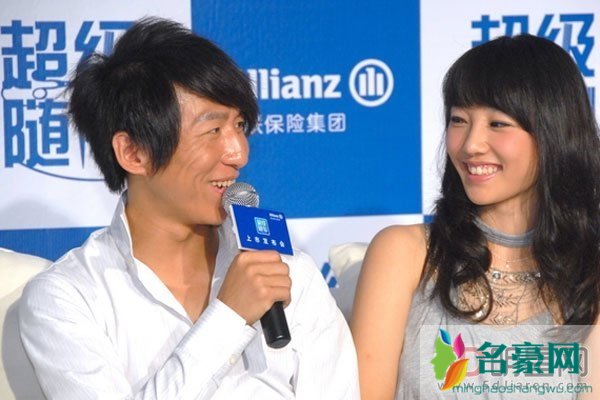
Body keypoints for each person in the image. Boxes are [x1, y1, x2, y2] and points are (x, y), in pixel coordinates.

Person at [18, 17, 359, 399]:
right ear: (134, 152)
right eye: (213, 130)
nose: (239, 153)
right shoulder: (68, 298)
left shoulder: (291, 275)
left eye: (240, 126)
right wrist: (229, 317)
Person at [351, 34, 600, 399]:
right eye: (459, 120)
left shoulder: (590, 271)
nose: (470, 144)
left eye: (498, 123)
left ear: (554, 131)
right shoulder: (405, 252)